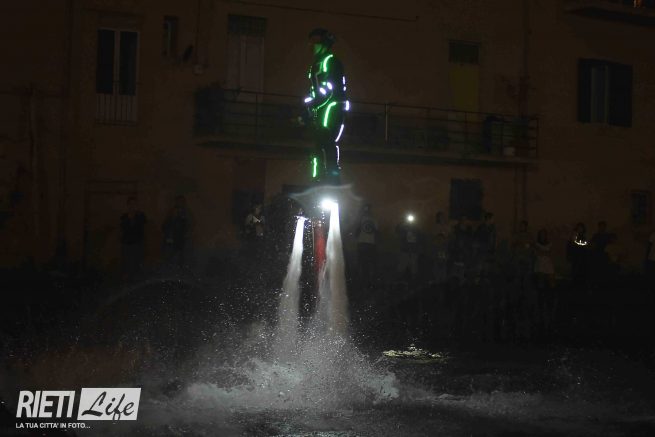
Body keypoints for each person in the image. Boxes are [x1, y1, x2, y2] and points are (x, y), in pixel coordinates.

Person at [303, 28, 349, 184]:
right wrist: (308, 106)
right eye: (310, 42)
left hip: (332, 106)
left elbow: (329, 88)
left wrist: (314, 103)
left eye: (315, 42)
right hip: (321, 107)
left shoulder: (331, 61)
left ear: (324, 43)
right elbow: (314, 90)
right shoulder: (315, 64)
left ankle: (332, 175)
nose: (311, 46)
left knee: (327, 139)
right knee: (317, 144)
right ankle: (317, 177)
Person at [162, 195, 192, 270]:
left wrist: (188, 232)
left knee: (182, 257)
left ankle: (181, 269)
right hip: (172, 238)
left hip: (182, 238)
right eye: (178, 201)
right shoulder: (171, 212)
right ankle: (170, 269)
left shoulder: (186, 212)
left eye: (181, 202)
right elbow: (165, 225)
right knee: (170, 256)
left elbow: (190, 224)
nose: (179, 203)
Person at [120, 197, 146, 279]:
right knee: (127, 261)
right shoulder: (124, 217)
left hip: (138, 243)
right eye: (131, 204)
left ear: (136, 205)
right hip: (127, 243)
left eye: (134, 204)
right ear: (128, 205)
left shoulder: (141, 216)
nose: (132, 206)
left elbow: (143, 226)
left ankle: (136, 278)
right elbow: (122, 229)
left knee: (137, 261)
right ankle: (127, 278)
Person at [355, 203, 378, 286]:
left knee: (363, 263)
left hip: (363, 243)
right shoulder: (373, 219)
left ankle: (364, 280)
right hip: (369, 243)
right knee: (368, 263)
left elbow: (356, 231)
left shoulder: (361, 219)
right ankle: (367, 280)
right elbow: (376, 231)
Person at [567, 222, 589, 290]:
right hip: (575, 257)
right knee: (575, 273)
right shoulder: (574, 236)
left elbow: (585, 247)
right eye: (579, 228)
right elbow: (570, 246)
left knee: (582, 273)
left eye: (581, 228)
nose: (580, 229)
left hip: (582, 258)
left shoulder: (584, 237)